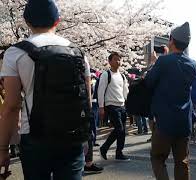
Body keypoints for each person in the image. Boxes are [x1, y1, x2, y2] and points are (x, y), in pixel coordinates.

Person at [0, 0, 92, 179]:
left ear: (26, 21)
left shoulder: (16, 53)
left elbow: (11, 106)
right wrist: (85, 137)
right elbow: (86, 100)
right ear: (58, 21)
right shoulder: (78, 52)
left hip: (34, 137)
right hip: (72, 136)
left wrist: (3, 149)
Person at [145, 22, 196, 180]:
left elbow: (149, 82)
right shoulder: (192, 64)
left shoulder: (163, 61)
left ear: (171, 40)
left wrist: (154, 63)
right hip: (184, 120)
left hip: (164, 120)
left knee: (158, 158)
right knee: (182, 161)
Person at [98, 52, 130, 161]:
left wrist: (128, 104)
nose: (118, 61)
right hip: (111, 105)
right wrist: (101, 107)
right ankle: (105, 148)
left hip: (122, 105)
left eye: (119, 59)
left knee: (122, 130)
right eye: (116, 59)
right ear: (110, 61)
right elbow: (100, 91)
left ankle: (118, 153)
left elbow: (125, 92)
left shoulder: (122, 76)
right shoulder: (106, 74)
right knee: (119, 129)